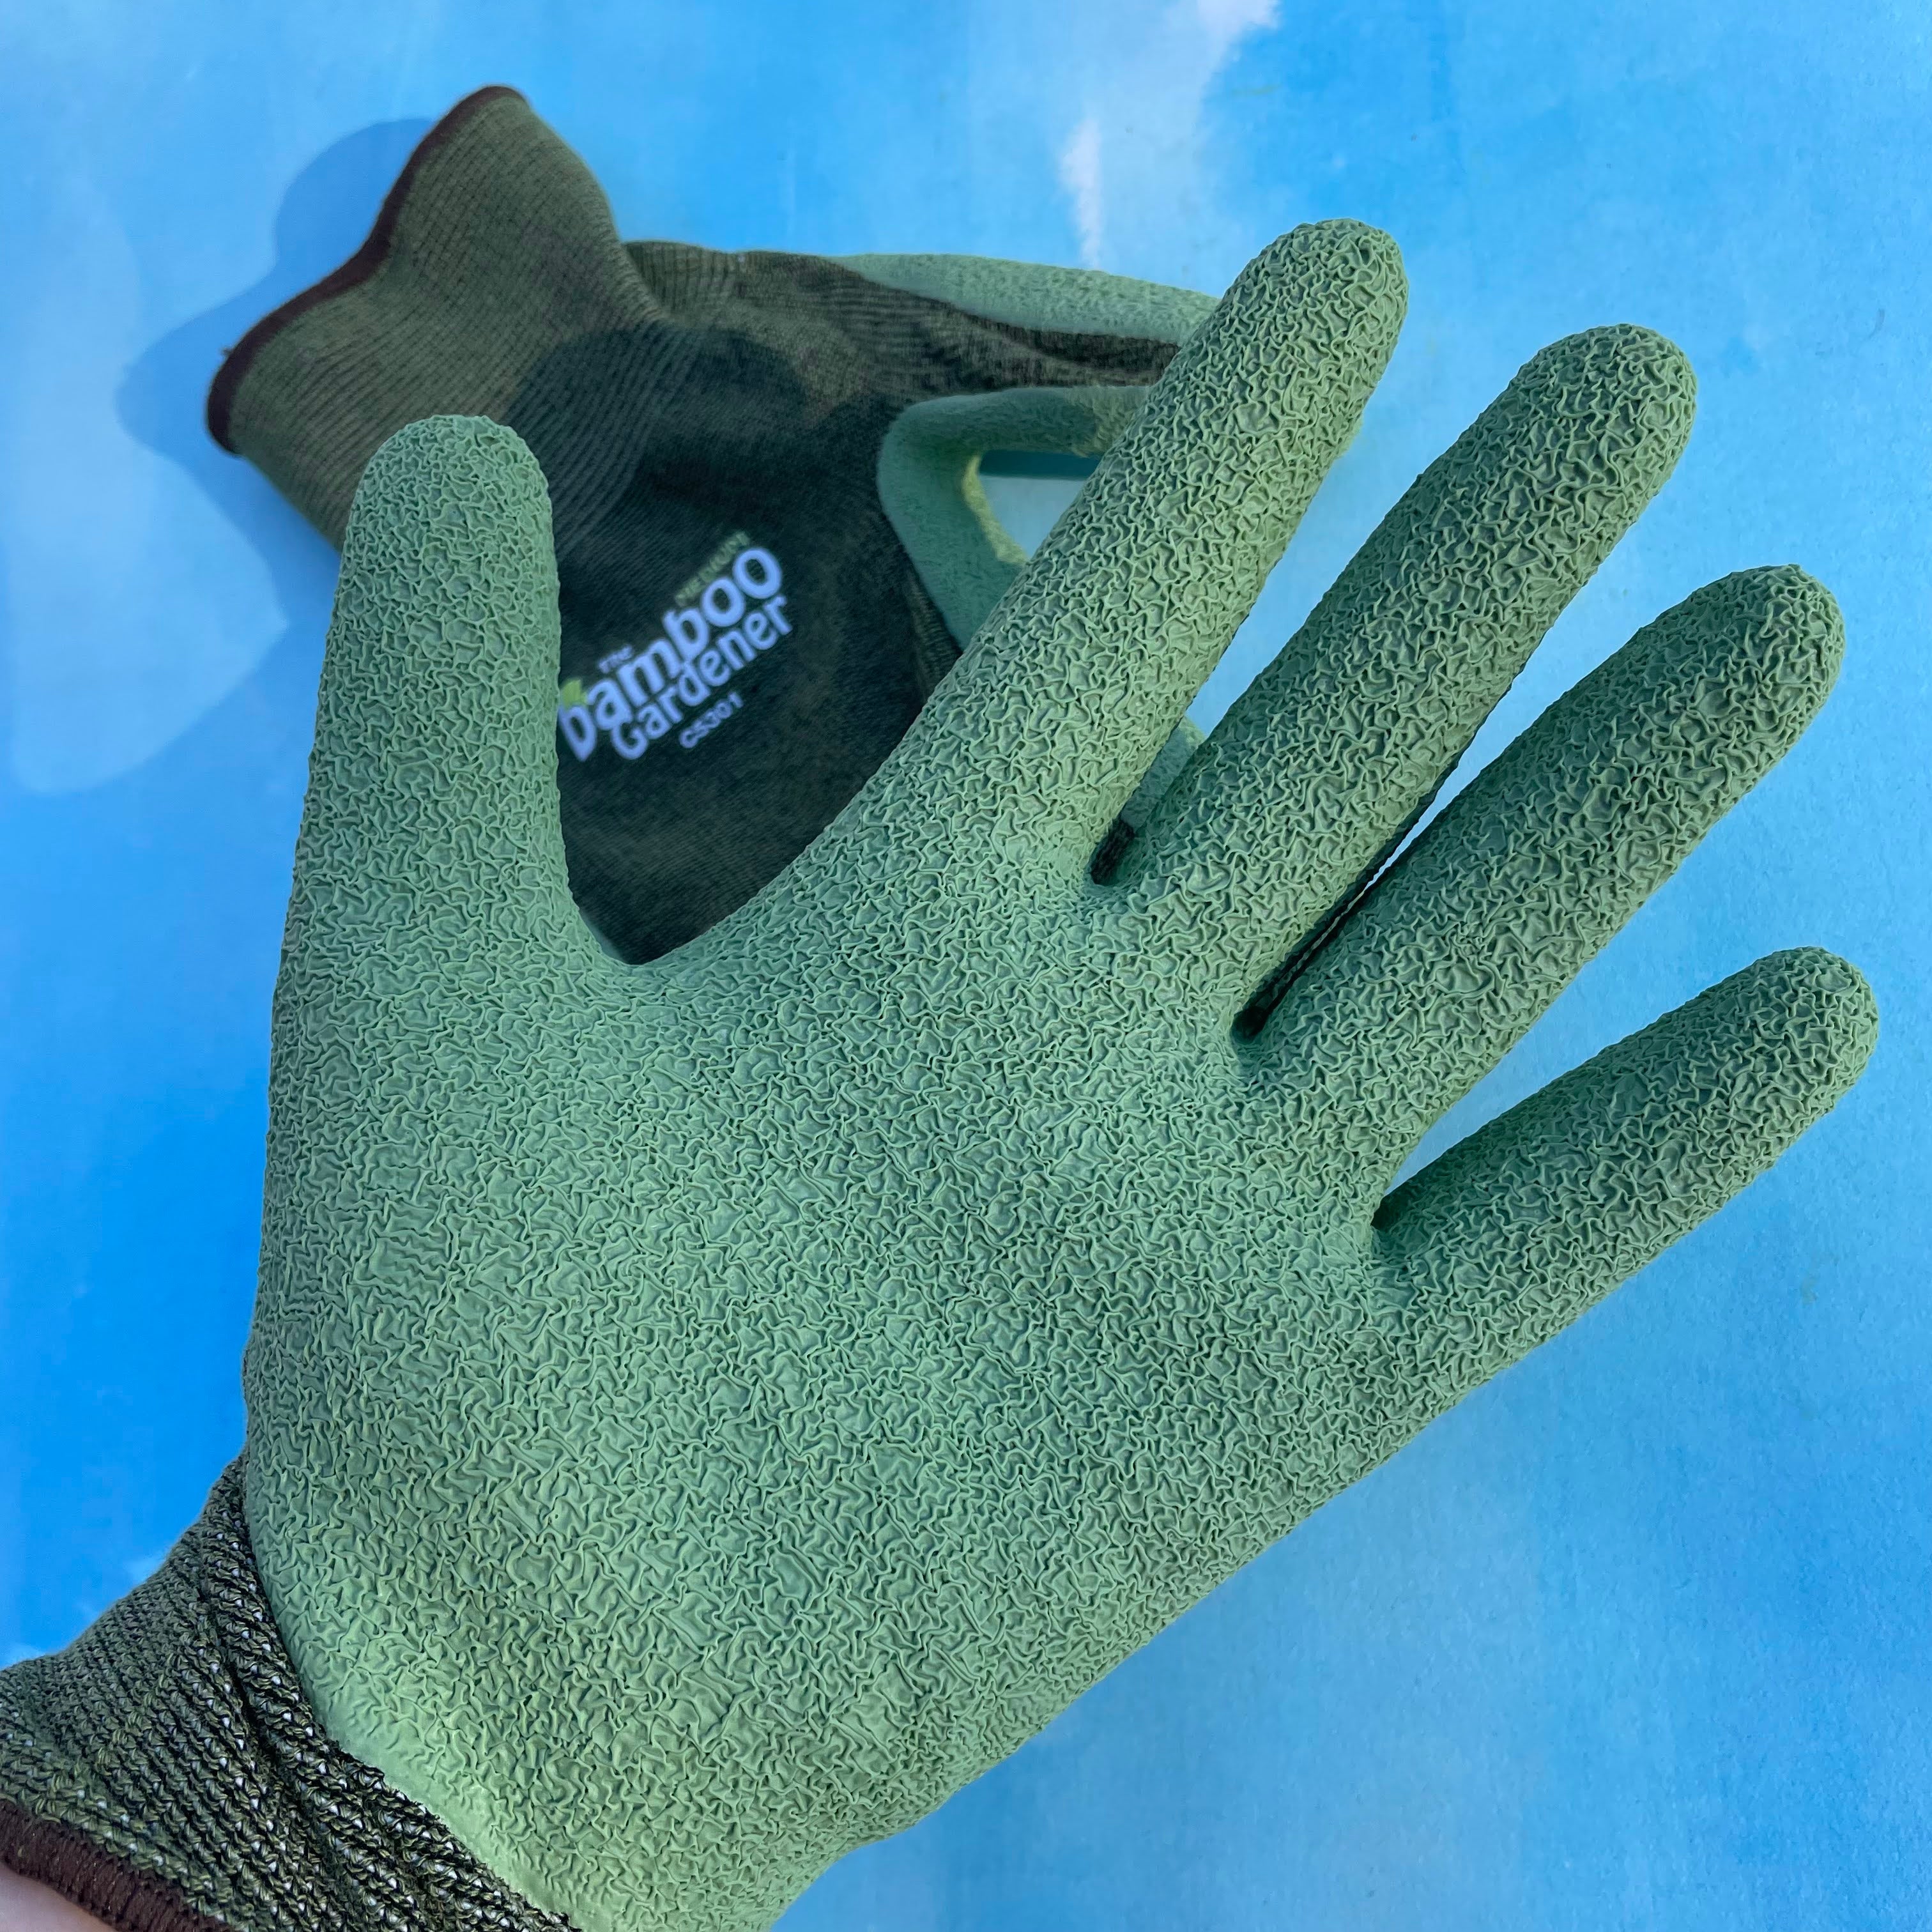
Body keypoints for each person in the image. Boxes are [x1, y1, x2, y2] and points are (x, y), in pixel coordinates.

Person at [0, 90, 1874, 1932]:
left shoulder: (729, 366)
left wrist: (308, 1796)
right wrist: (367, 1794)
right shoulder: (761, 363)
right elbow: (1133, 343)